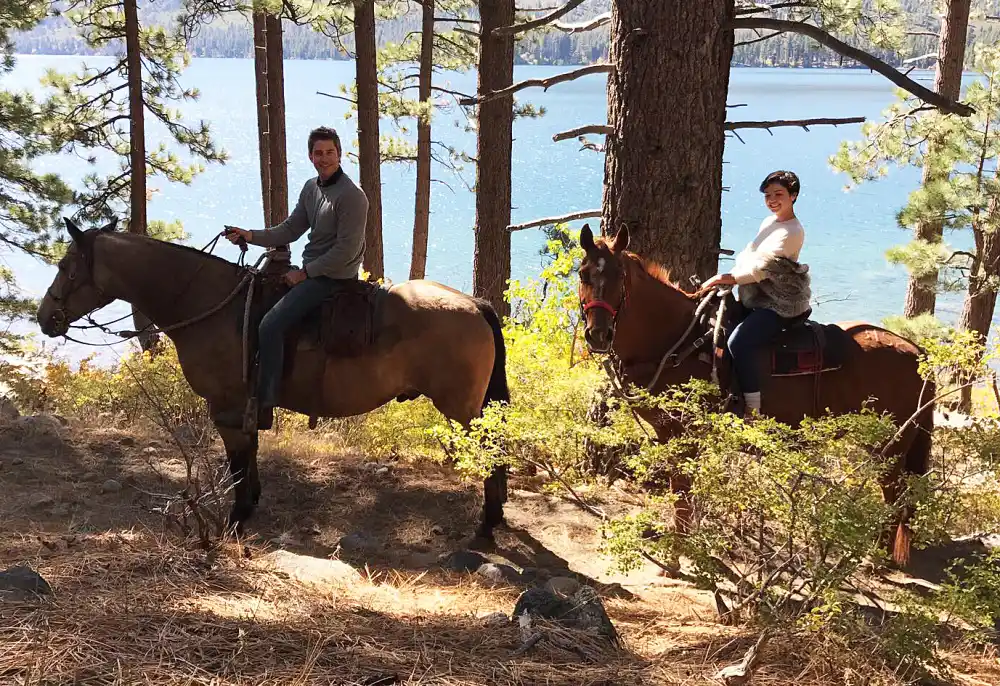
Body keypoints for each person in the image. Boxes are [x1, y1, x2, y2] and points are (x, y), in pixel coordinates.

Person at [225, 126, 369, 430]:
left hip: (334, 278)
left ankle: (264, 404)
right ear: (310, 156)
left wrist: (304, 274)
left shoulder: (352, 197)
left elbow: (346, 251)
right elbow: (290, 229)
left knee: (270, 325)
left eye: (330, 152)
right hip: (312, 271)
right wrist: (250, 235)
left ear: (340, 154)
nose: (325, 158)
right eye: (319, 153)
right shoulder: (311, 188)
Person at [697, 170, 811, 415]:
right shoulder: (769, 222)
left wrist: (725, 278)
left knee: (738, 342)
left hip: (778, 303)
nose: (772, 200)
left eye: (778, 194)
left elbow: (761, 270)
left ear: (793, 195)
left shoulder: (793, 231)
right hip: (756, 297)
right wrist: (731, 277)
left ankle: (753, 409)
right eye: (768, 195)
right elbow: (751, 256)